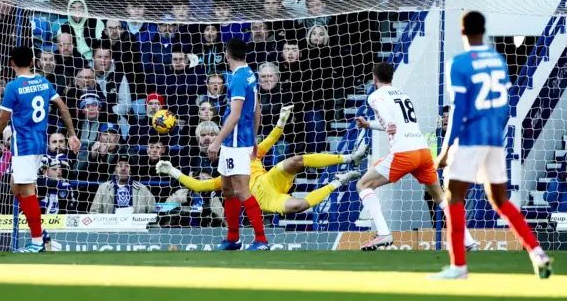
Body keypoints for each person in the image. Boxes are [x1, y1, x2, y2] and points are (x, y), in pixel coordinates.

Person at [431, 12, 552, 279]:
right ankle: (537, 252)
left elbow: (459, 108)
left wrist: (446, 148)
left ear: (462, 31)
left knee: (454, 196)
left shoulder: (459, 63)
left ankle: (458, 266)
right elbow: (502, 103)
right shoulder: (498, 60)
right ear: (484, 31)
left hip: (472, 137)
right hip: (495, 139)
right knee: (500, 200)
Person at [341, 62, 476, 251]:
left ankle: (383, 234)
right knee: (439, 197)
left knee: (363, 184)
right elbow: (398, 124)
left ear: (374, 79)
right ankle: (468, 241)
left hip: (404, 153)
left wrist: (388, 122)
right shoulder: (402, 94)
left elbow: (386, 115)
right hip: (422, 151)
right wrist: (369, 124)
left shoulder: (375, 96)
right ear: (392, 78)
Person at [158, 106, 363, 215]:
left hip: (270, 180)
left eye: (214, 135)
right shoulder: (226, 174)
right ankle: (340, 180)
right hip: (263, 200)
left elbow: (270, 140)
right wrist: (172, 170)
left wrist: (281, 121)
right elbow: (199, 185)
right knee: (299, 206)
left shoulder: (248, 152)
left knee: (295, 161)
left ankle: (349, 157)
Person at [0, 47, 81, 253]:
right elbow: (63, 108)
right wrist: (71, 134)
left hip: (24, 145)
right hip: (39, 142)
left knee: (27, 191)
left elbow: (3, 119)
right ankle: (41, 230)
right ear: (33, 61)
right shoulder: (44, 82)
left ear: (11, 63)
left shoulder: (13, 86)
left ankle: (37, 242)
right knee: (14, 187)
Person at [206, 38, 267, 250]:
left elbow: (235, 115)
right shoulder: (250, 74)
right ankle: (233, 238)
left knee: (241, 190)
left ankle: (261, 240)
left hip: (236, 142)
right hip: (240, 141)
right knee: (227, 189)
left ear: (226, 55)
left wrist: (216, 142)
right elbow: (257, 109)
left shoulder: (239, 78)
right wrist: (256, 138)